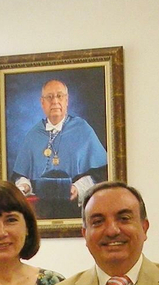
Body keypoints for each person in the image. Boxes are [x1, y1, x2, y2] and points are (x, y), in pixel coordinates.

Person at [10, 79, 108, 220]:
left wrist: (77, 188)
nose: (55, 101)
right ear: (42, 103)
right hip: (40, 211)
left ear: (66, 100)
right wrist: (24, 186)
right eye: (49, 97)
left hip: (75, 208)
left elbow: (101, 173)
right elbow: (20, 175)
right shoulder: (33, 134)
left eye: (59, 96)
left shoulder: (83, 129)